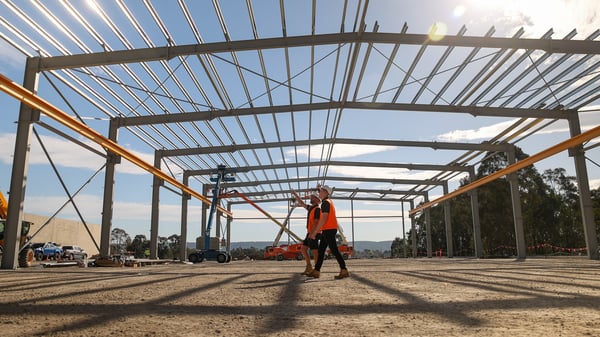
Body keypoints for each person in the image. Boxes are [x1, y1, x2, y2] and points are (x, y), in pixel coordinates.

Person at [307, 185, 349, 279]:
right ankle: (316, 271)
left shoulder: (325, 203)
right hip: (328, 229)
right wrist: (319, 187)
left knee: (334, 250)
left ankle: (344, 269)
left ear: (325, 192)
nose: (319, 193)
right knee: (321, 251)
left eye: (320, 191)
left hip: (329, 229)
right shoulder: (328, 201)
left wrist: (315, 232)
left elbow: (324, 218)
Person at [291, 189, 322, 275]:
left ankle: (316, 270)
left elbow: (316, 222)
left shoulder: (317, 209)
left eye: (312, 197)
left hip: (314, 233)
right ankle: (309, 267)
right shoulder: (311, 208)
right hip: (310, 232)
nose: (310, 199)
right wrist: (295, 194)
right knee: (304, 249)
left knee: (315, 251)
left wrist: (313, 233)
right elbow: (302, 203)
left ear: (316, 199)